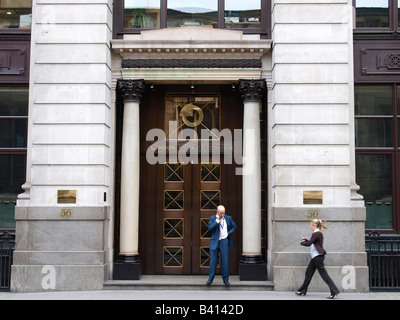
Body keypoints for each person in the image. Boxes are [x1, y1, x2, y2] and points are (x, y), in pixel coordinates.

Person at [296, 219, 340, 299]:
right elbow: (313, 243)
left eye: (311, 225)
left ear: (314, 225)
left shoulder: (316, 233)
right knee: (308, 273)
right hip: (315, 257)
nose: (310, 227)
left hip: (317, 257)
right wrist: (306, 240)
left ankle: (334, 291)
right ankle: (302, 290)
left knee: (324, 275)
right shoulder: (317, 234)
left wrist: (302, 242)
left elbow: (309, 244)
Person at [207, 205, 237, 286]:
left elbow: (234, 227)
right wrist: (216, 221)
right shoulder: (212, 218)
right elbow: (210, 229)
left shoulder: (228, 218)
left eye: (223, 213)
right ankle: (210, 279)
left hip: (224, 241)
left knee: (225, 261)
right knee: (213, 261)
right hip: (215, 242)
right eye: (220, 213)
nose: (222, 215)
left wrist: (229, 233)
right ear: (217, 212)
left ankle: (226, 280)